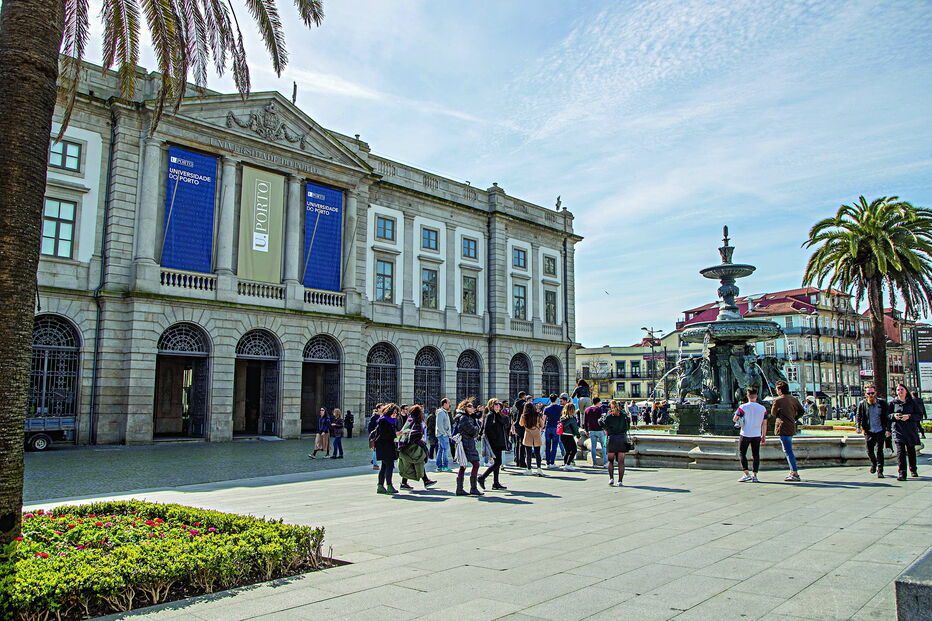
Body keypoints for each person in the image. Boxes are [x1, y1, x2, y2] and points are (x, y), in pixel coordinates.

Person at [398, 405, 437, 490]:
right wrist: (421, 442)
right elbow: (415, 435)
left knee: (411, 463)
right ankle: (425, 480)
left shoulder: (409, 419)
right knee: (418, 461)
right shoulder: (416, 422)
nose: (423, 413)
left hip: (406, 445)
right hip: (412, 447)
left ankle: (406, 483)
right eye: (421, 412)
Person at [770, 381, 803, 481]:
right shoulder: (794, 399)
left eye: (777, 389)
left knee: (788, 451)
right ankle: (793, 471)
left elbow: (773, 413)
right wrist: (794, 418)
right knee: (788, 449)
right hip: (791, 426)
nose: (776, 391)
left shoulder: (778, 400)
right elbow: (801, 411)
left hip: (783, 427)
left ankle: (794, 473)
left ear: (780, 390)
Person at [856, 383, 891, 478]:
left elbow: (888, 417)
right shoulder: (862, 404)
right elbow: (859, 416)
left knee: (879, 450)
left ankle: (880, 470)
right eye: (868, 393)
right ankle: (874, 463)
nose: (870, 395)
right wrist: (858, 426)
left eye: (872, 393)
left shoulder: (882, 403)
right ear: (865, 394)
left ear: (875, 393)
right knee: (869, 450)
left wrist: (888, 429)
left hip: (880, 430)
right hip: (869, 430)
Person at [734, 388, 768, 482]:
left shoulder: (743, 407)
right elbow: (764, 423)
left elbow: (735, 419)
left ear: (747, 396)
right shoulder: (762, 408)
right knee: (756, 455)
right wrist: (763, 436)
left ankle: (746, 473)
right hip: (757, 434)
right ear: (757, 396)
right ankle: (755, 475)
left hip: (745, 433)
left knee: (742, 453)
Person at [890, 383, 921, 481]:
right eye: (898, 390)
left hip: (910, 430)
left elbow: (919, 415)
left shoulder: (912, 402)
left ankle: (913, 469)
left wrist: (909, 417)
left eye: (902, 389)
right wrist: (894, 416)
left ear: (906, 391)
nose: (900, 392)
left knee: (911, 451)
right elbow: (887, 416)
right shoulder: (893, 403)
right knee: (900, 452)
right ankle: (902, 473)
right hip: (898, 430)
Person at [453, 399, 483, 496]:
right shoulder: (464, 418)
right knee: (475, 464)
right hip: (467, 444)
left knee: (463, 466)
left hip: (467, 443)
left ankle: (460, 489)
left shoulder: (467, 417)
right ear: (464, 408)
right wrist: (477, 428)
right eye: (470, 406)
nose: (472, 408)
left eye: (472, 406)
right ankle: (472, 488)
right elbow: (472, 431)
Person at [478, 399, 509, 490]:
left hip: (499, 441)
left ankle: (495, 483)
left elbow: (505, 424)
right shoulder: (491, 415)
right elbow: (487, 429)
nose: (498, 406)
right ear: (491, 405)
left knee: (497, 462)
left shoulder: (498, 415)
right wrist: (494, 438)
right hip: (495, 442)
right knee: (498, 462)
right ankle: (482, 477)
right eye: (495, 404)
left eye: (498, 404)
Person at [602, 399, 630, 487]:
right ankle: (620, 481)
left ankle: (611, 479)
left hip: (612, 439)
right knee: (621, 462)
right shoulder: (624, 416)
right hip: (622, 438)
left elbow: (604, 426)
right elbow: (627, 427)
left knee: (610, 461)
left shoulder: (609, 416)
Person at [374, 404, 400, 494]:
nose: (395, 415)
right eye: (394, 412)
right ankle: (389, 485)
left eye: (396, 413)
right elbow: (384, 435)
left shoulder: (390, 421)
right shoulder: (383, 420)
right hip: (384, 446)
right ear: (389, 411)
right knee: (389, 465)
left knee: (384, 467)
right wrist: (396, 434)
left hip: (387, 446)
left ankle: (380, 486)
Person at [519, 401, 545, 476]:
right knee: (537, 453)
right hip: (536, 434)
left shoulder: (524, 416)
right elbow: (542, 425)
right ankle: (539, 469)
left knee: (528, 453)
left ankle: (529, 469)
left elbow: (521, 424)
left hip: (528, 434)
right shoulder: (538, 415)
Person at [584, 397, 607, 467]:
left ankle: (594, 463)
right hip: (600, 430)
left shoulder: (587, 410)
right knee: (604, 446)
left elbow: (585, 421)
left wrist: (586, 430)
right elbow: (602, 420)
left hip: (591, 430)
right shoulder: (599, 409)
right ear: (598, 402)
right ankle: (606, 462)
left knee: (593, 447)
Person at [543, 394, 563, 468]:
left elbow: (544, 419)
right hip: (556, 427)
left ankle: (547, 462)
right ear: (556, 399)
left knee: (547, 445)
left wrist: (542, 427)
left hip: (548, 427)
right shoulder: (560, 408)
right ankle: (552, 462)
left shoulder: (546, 408)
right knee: (554, 445)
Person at [559, 402, 580, 470]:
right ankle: (568, 464)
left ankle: (565, 463)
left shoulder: (562, 418)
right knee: (574, 450)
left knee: (567, 451)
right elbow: (575, 429)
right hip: (569, 435)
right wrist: (578, 435)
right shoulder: (572, 419)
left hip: (562, 435)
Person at [435, 398, 453, 472]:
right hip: (443, 435)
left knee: (441, 450)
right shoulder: (441, 412)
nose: (450, 404)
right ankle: (444, 466)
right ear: (444, 404)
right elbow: (439, 425)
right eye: (449, 403)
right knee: (445, 450)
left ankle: (439, 466)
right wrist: (444, 433)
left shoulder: (444, 412)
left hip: (443, 434)